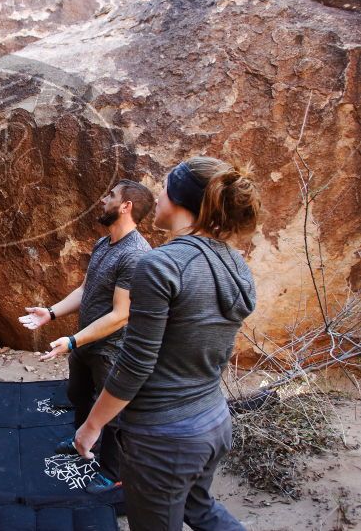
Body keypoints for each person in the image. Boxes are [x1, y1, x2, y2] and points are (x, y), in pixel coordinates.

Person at [74, 157, 260, 530]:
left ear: (178, 201)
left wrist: (92, 425)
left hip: (164, 439)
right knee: (200, 509)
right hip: (212, 422)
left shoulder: (161, 265)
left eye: (164, 189)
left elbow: (136, 363)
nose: (156, 197)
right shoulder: (236, 264)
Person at [19, 179, 154, 485]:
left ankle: (112, 473)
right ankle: (83, 442)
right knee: (78, 395)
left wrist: (72, 340)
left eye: (111, 195)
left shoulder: (136, 255)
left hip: (113, 350)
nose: (104, 199)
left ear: (126, 206)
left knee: (114, 415)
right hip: (85, 342)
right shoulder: (104, 244)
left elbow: (121, 315)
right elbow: (85, 289)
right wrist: (51, 313)